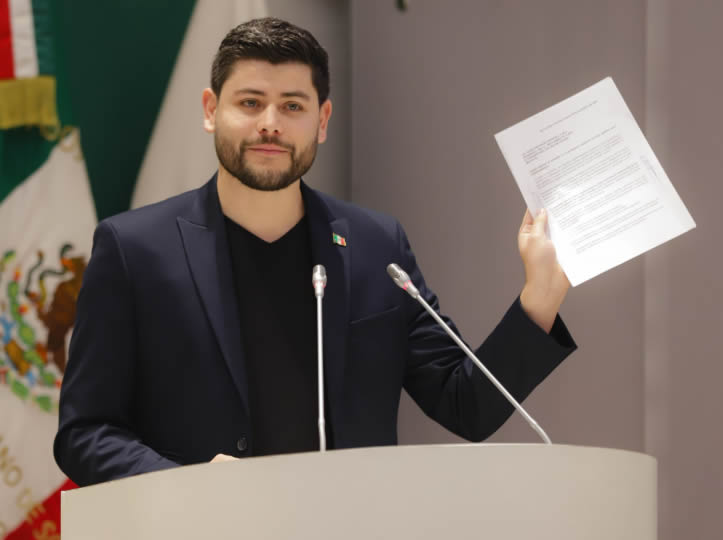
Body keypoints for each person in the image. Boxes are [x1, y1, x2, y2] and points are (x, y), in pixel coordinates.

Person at [54, 17, 576, 487]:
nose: (271, 123)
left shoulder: (376, 245)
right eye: (250, 103)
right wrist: (187, 487)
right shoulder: (134, 249)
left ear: (322, 121)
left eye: (293, 106)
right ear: (212, 110)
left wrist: (540, 297)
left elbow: (467, 405)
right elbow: (85, 433)